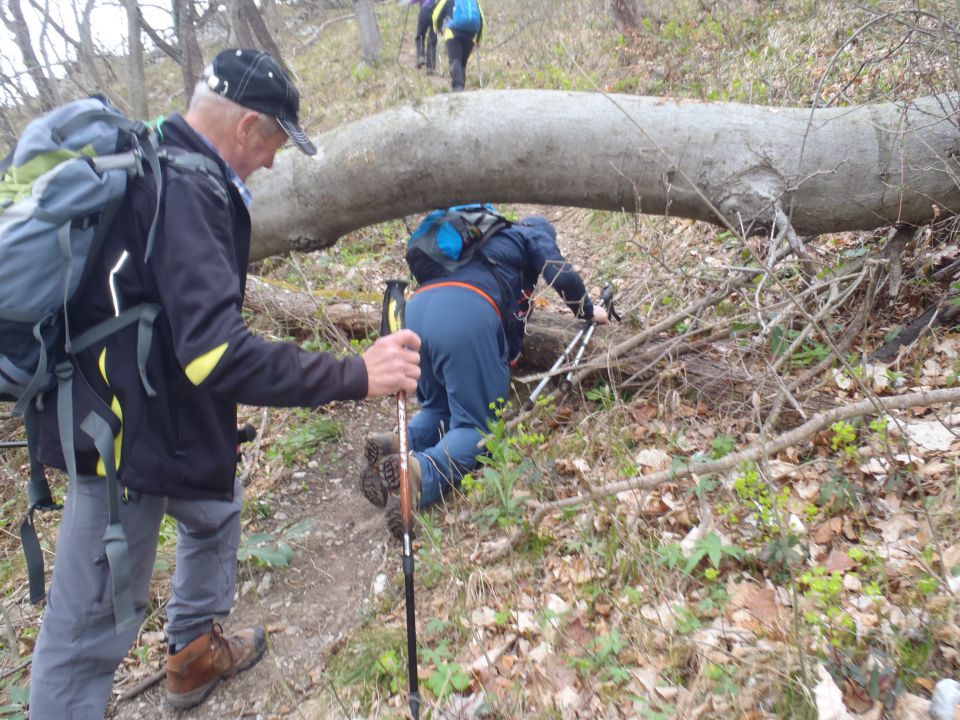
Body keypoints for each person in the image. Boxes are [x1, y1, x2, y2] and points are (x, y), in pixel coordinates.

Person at [28, 48, 421, 718]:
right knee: (86, 635)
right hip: (121, 439)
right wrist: (356, 373)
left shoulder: (167, 162)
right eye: (271, 145)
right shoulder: (188, 191)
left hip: (163, 416)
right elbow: (216, 356)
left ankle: (191, 658)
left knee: (217, 507)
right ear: (246, 128)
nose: (270, 163)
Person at [361, 212, 608, 539]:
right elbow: (561, 274)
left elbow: (513, 319)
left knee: (439, 407)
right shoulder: (530, 235)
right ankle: (420, 475)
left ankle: (396, 441)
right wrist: (589, 311)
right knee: (476, 426)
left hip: (416, 311)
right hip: (466, 314)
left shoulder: (480, 241)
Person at [432, 0, 484, 91]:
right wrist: (478, 39)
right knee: (462, 63)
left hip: (453, 33)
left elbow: (436, 15)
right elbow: (482, 19)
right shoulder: (474, 1)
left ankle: (458, 87)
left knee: (455, 60)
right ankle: (461, 88)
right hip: (470, 35)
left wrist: (437, 28)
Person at [412, 0, 438, 73]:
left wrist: (410, 2)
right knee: (432, 41)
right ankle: (430, 67)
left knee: (420, 36)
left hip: (425, 10)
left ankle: (421, 56)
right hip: (437, 12)